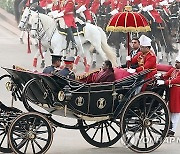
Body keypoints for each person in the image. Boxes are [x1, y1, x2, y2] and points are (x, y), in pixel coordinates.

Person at [157, 55, 180, 136]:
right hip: (171, 92)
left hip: (177, 93)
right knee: (169, 110)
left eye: (178, 63)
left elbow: (177, 80)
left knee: (176, 112)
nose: (176, 64)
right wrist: (160, 76)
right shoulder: (173, 70)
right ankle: (168, 128)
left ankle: (172, 130)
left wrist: (165, 82)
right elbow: (166, 75)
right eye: (176, 62)